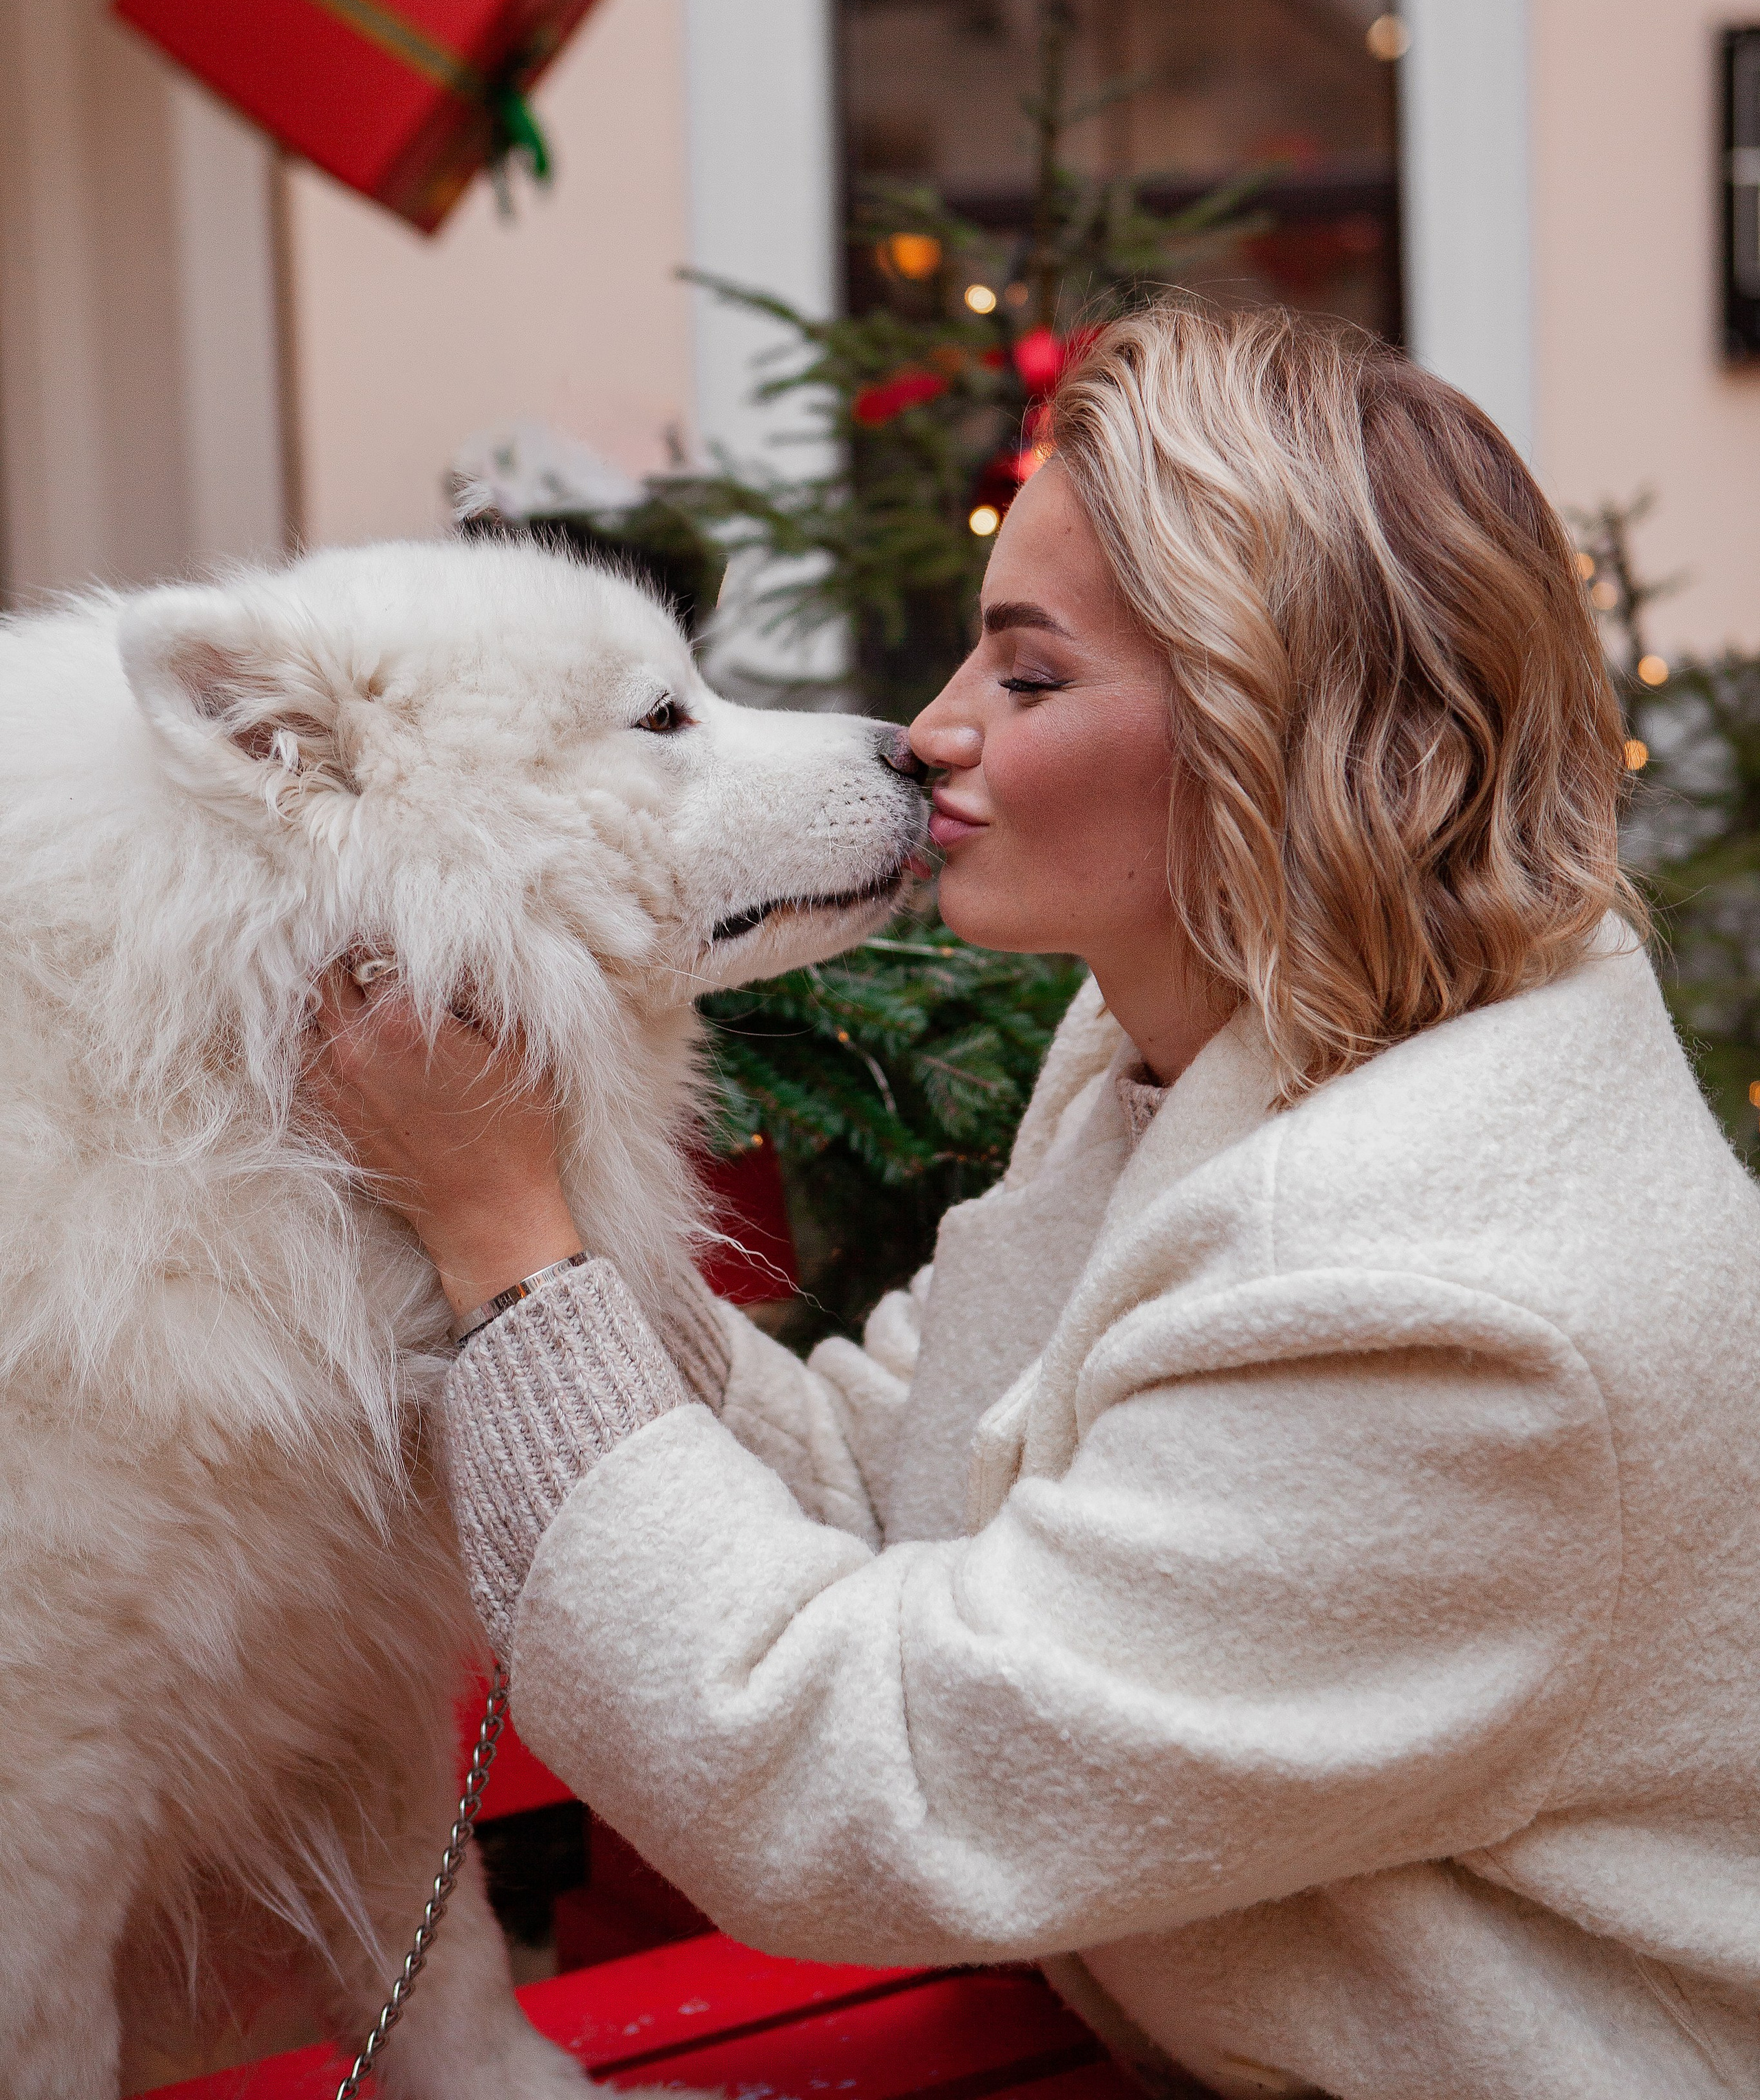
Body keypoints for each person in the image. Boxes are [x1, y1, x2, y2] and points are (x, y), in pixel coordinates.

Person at [308, 307, 1760, 2100]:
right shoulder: (1207, 1056)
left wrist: (518, 1259)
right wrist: (523, 1188)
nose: (927, 736)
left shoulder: (1457, 1310)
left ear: (1271, 734)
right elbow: (886, 1471)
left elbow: (874, 1785)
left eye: (1028, 677)